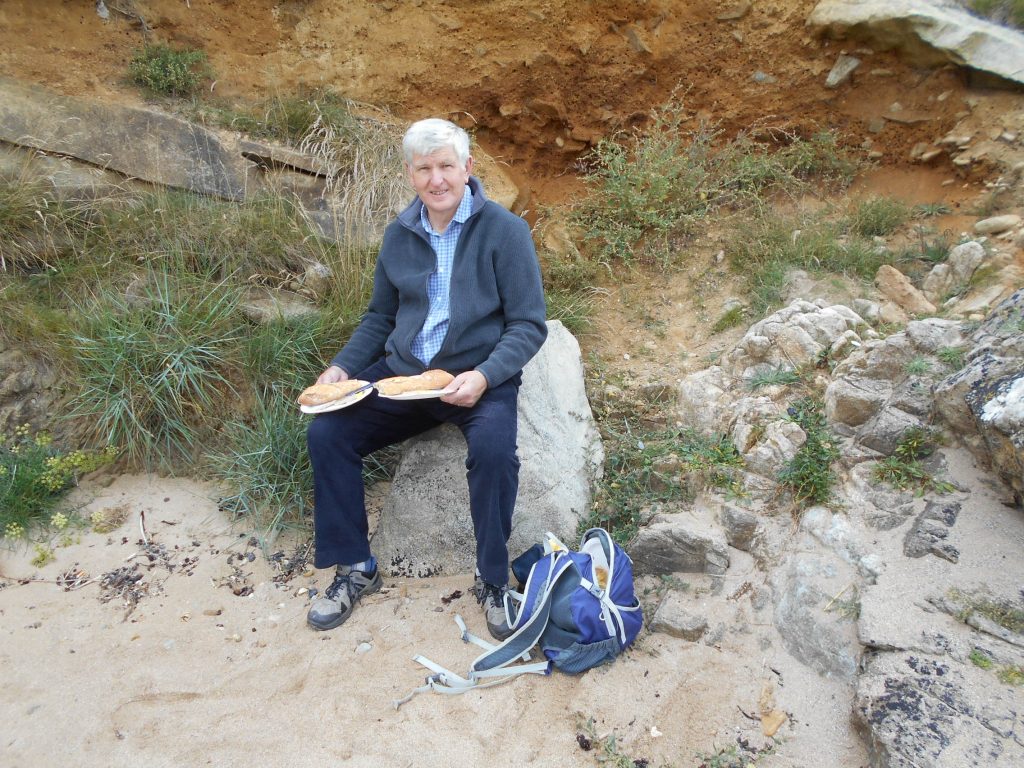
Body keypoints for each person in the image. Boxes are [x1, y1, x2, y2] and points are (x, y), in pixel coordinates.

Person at [305, 118, 548, 640]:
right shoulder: (400, 234)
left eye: (445, 166)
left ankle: (492, 579)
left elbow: (528, 324)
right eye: (424, 169)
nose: (436, 179)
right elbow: (379, 317)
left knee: (493, 452)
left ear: (467, 169)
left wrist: (484, 377)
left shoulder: (506, 232)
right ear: (411, 174)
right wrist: (342, 368)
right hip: (404, 377)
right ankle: (355, 568)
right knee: (327, 431)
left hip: (477, 378)